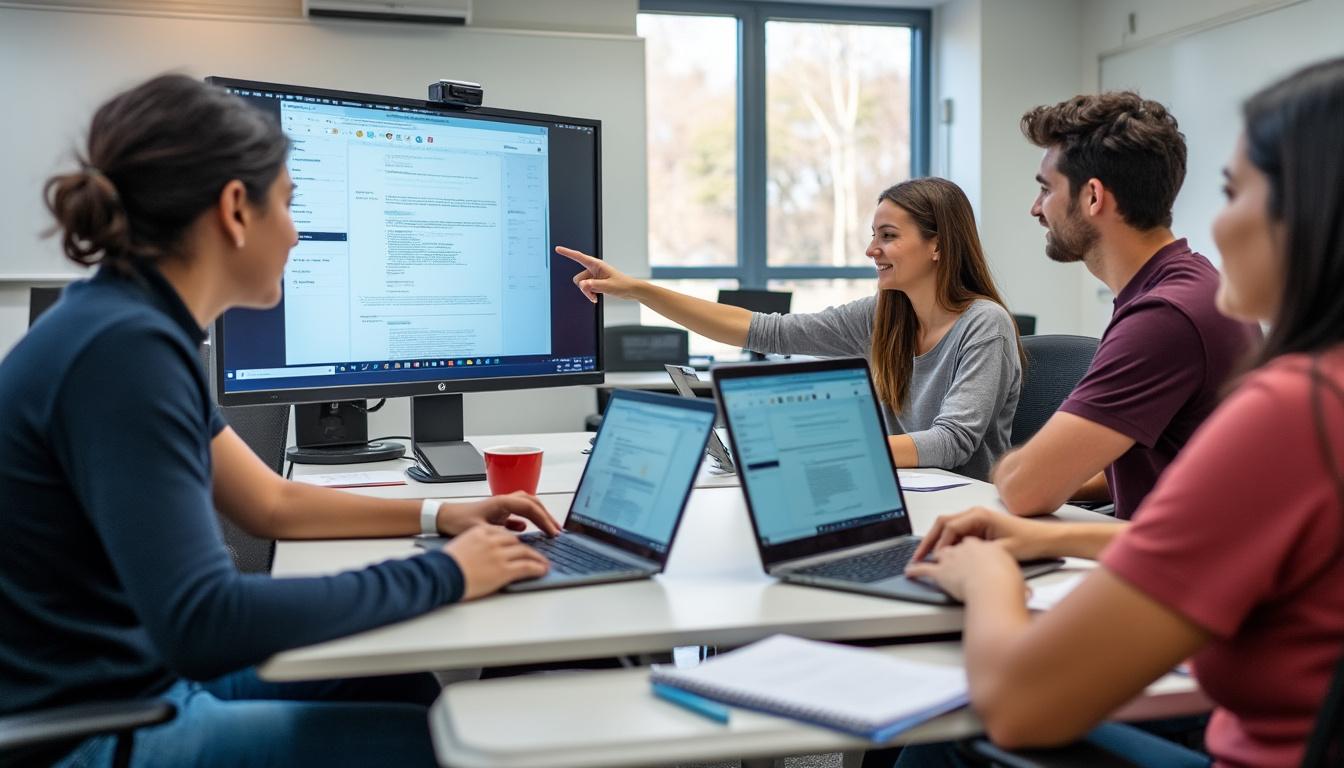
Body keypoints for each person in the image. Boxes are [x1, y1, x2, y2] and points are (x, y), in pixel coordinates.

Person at [0, 74, 560, 767]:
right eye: (291, 205)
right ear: (236, 209)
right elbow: (205, 622)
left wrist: (442, 515)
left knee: (399, 680)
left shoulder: (126, 325)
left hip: (133, 681)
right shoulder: (123, 353)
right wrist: (444, 575)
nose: (296, 235)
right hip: (90, 730)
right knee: (453, 747)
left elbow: (270, 502)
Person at [900, 56, 1344, 768]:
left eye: (1233, 193)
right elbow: (1216, 541)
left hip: (1221, 724)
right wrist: (1040, 538)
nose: (1218, 223)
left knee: (945, 727)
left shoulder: (1286, 401)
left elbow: (1018, 702)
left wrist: (986, 574)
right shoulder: (1310, 385)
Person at [560, 177, 1022, 481]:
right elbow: (763, 331)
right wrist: (639, 290)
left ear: (937, 246)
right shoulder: (883, 317)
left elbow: (950, 443)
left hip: (965, 510)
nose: (871, 250)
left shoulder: (984, 325)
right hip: (904, 493)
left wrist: (826, 448)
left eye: (888, 236)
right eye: (873, 235)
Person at [992, 92, 1261, 520]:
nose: (1036, 208)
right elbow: (1169, 462)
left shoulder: (1165, 316)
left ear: (1093, 197)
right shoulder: (1192, 283)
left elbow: (1023, 488)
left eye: (1045, 189)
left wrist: (1018, 474)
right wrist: (1060, 481)